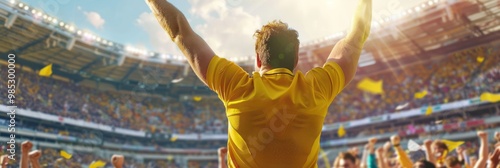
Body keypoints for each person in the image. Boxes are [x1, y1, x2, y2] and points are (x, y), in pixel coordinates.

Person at [145, 0, 372, 166]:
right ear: (296, 60)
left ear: (257, 58)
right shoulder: (317, 89)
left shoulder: (236, 87)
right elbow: (356, 36)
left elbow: (179, 31)